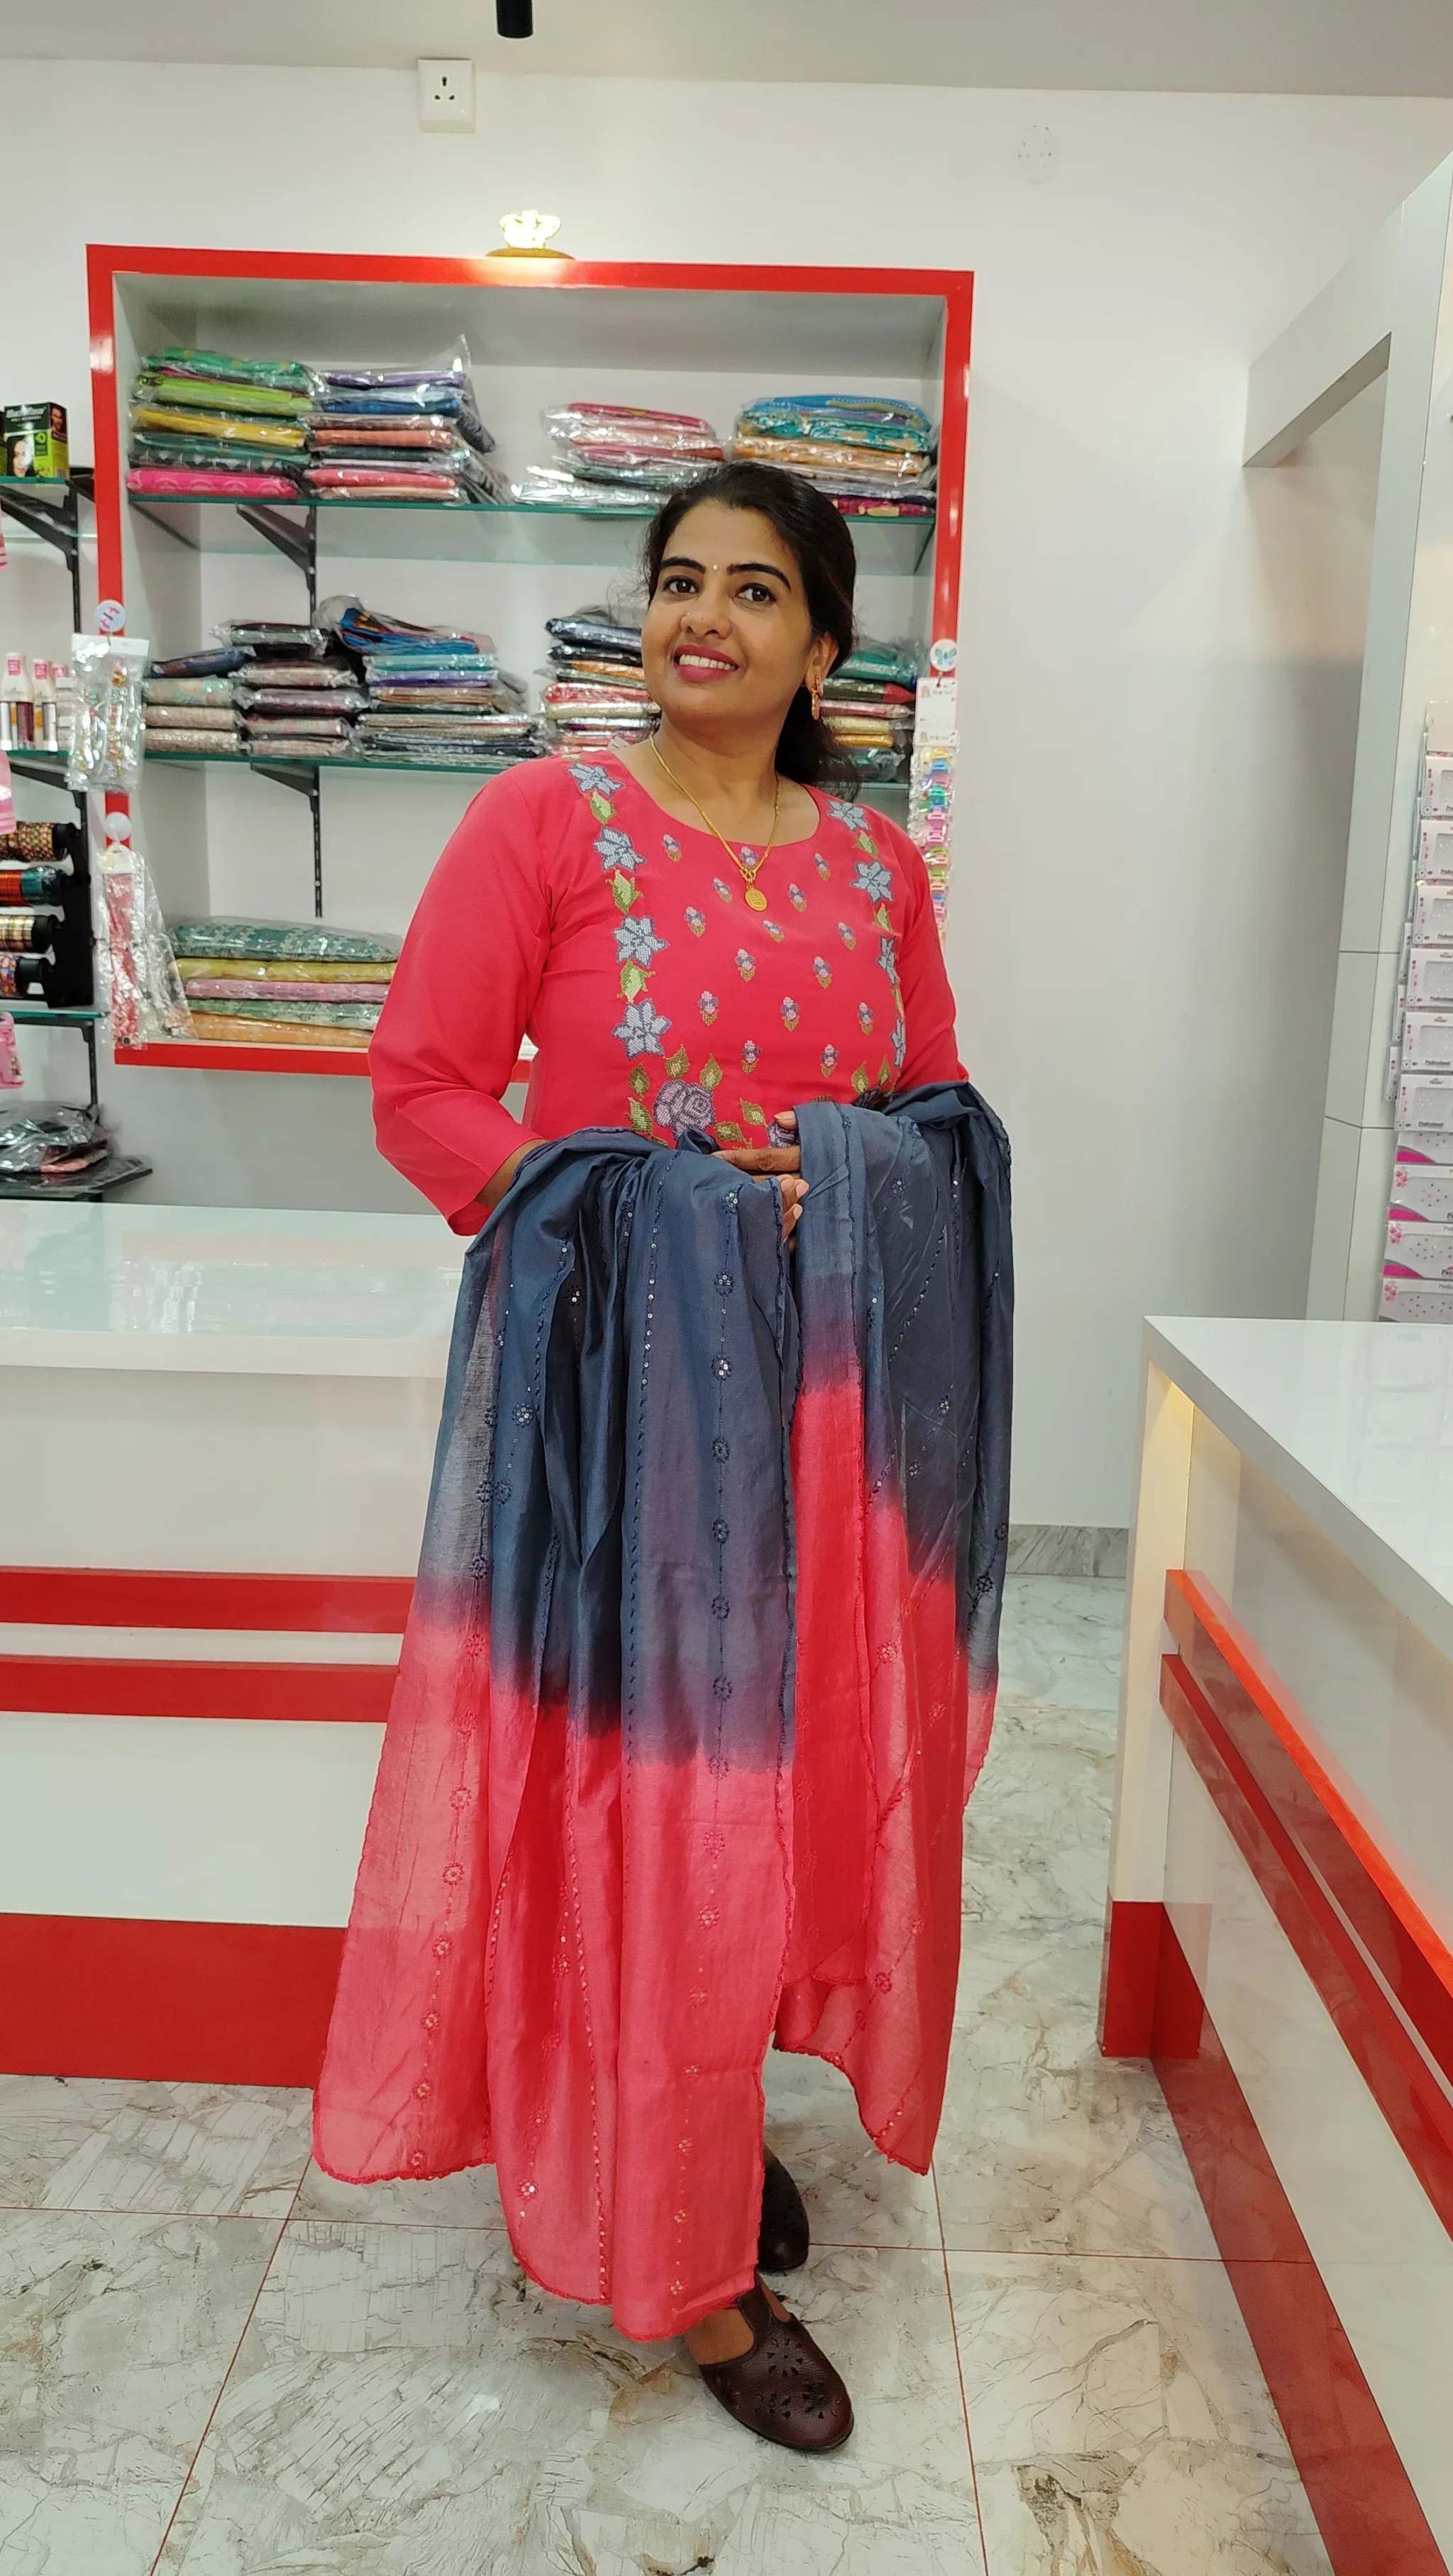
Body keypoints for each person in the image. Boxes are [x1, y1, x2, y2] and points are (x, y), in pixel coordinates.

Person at [337, 461, 970, 2450]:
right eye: (678, 579)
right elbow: (423, 1091)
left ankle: (701, 2120)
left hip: (826, 1424)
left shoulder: (879, 870)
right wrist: (648, 1209)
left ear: (824, 645)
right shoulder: (546, 820)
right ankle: (687, 2275)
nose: (703, 615)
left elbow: (939, 1114)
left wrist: (844, 1177)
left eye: (754, 588)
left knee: (781, 1806)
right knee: (654, 1817)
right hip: (619, 1419)